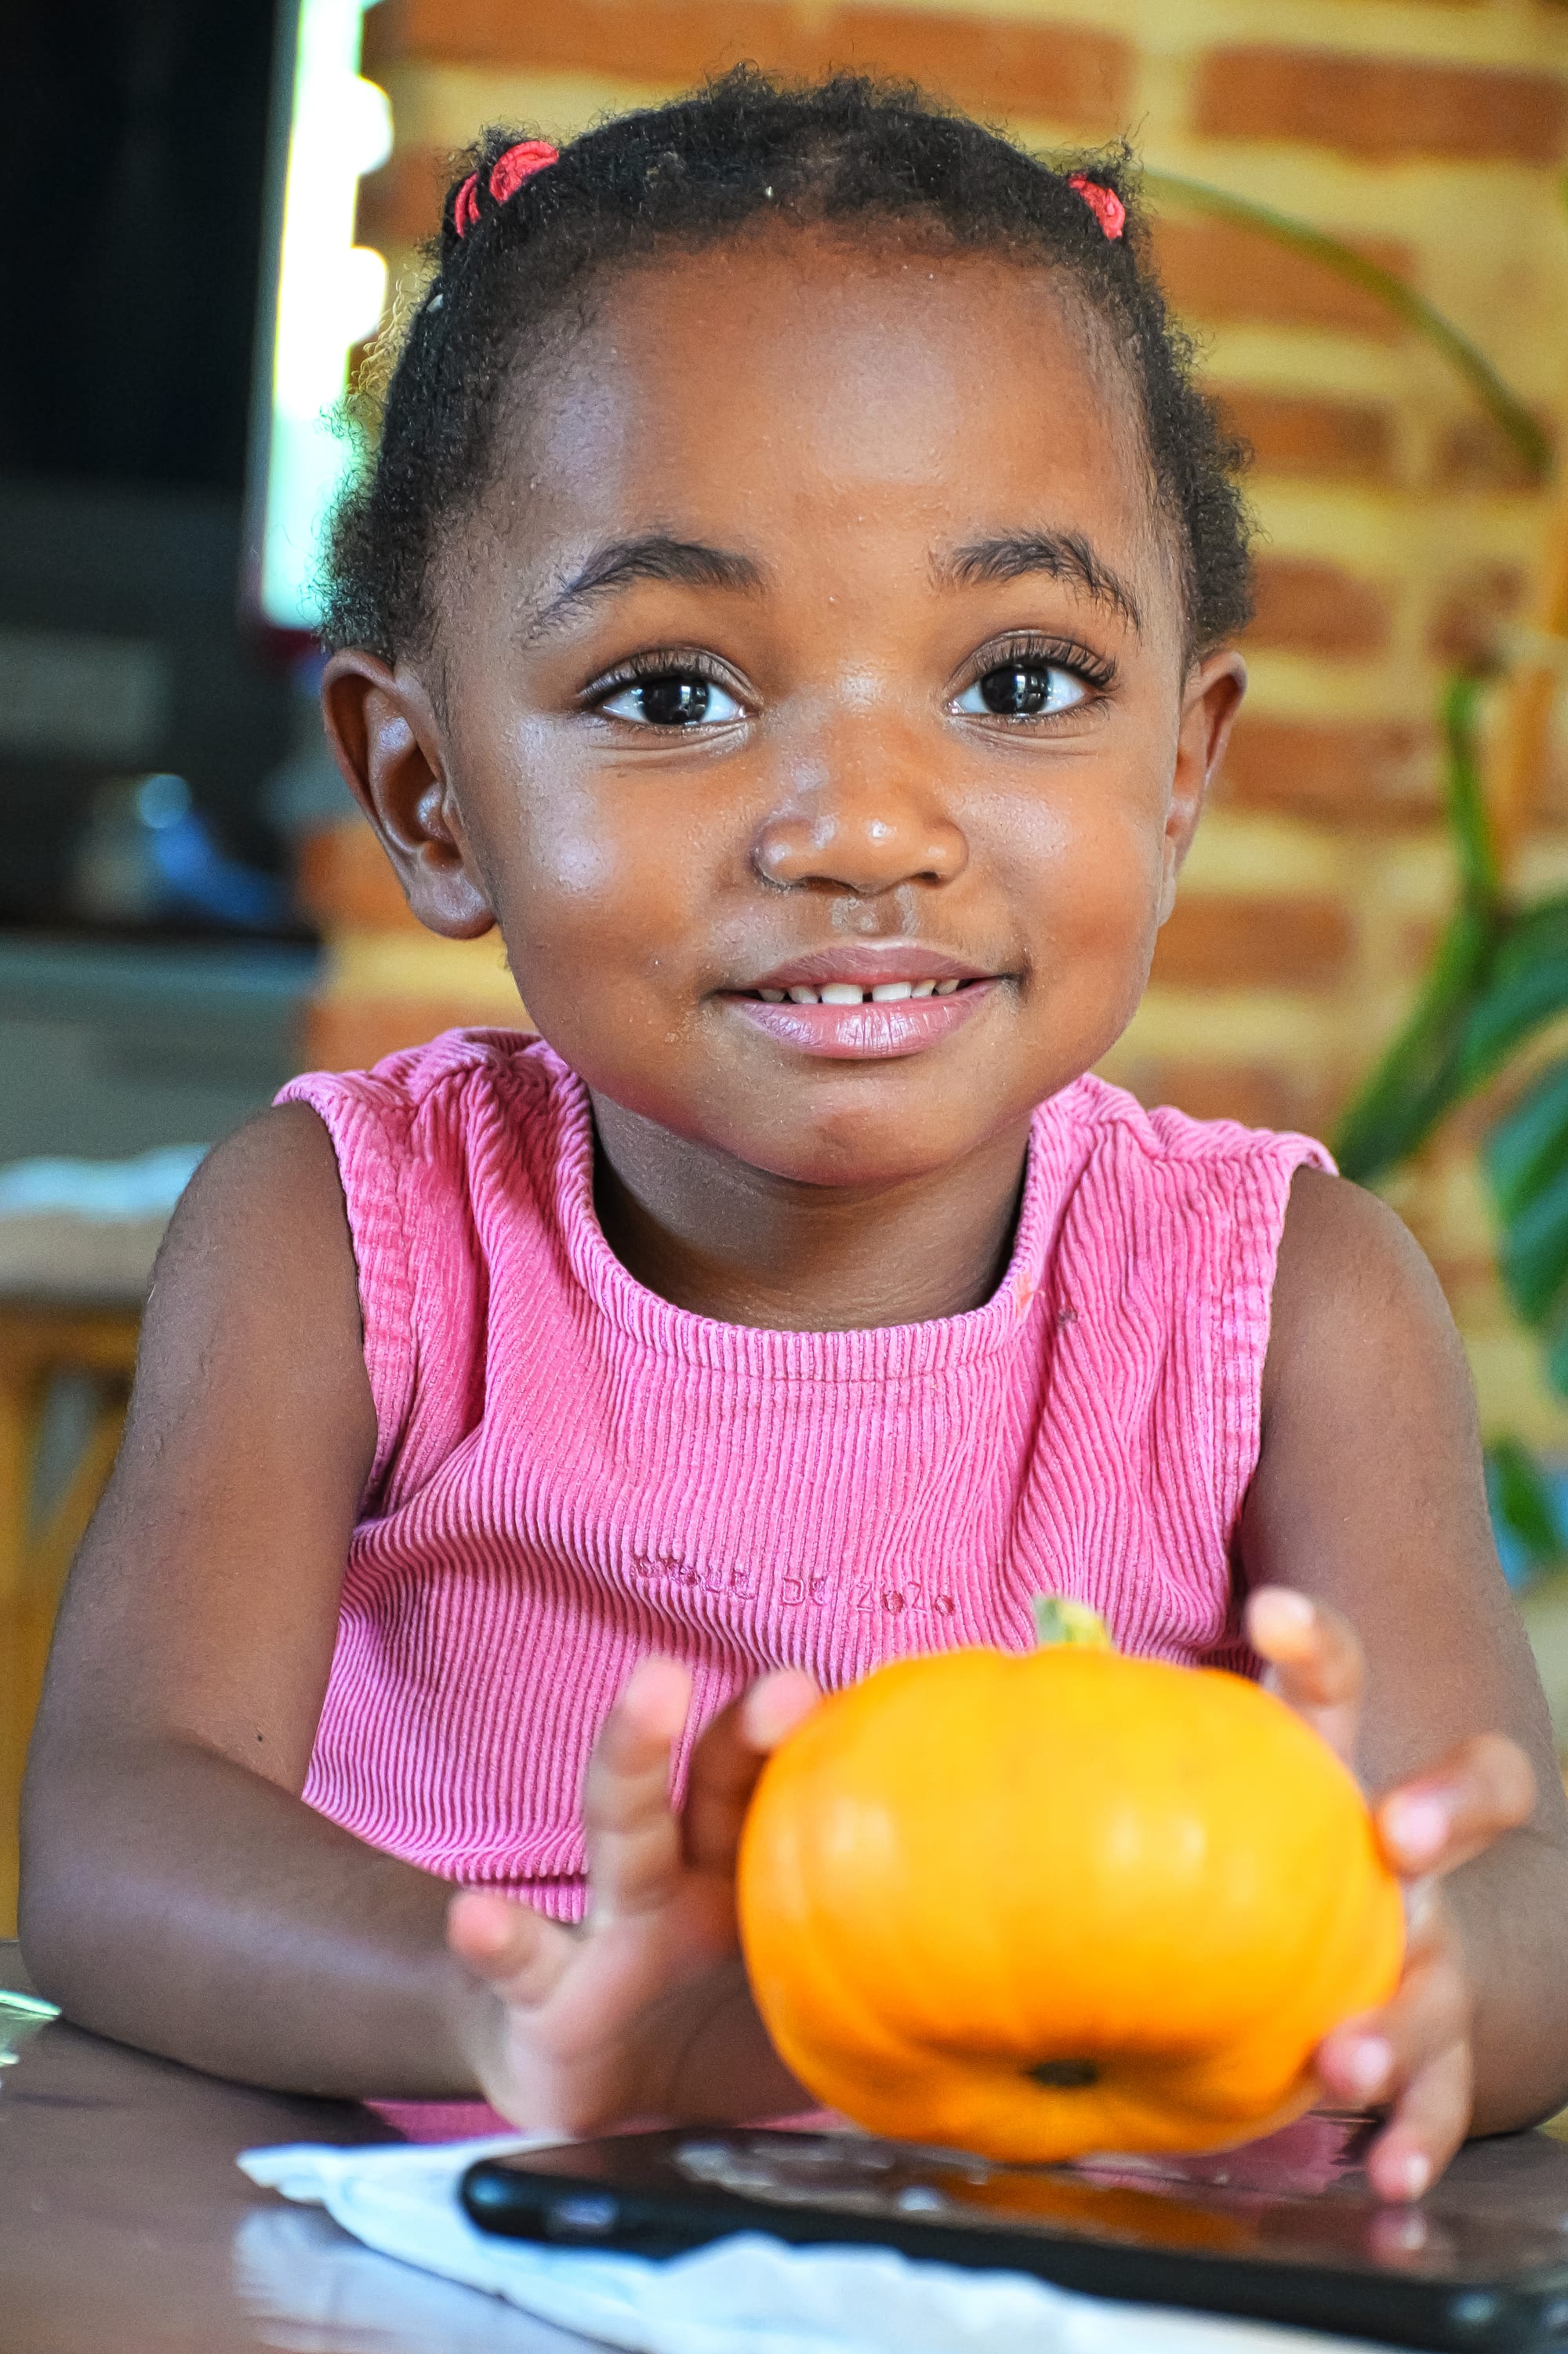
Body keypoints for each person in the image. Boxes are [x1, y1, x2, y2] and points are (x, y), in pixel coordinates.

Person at [20, 72, 1567, 2204]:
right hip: (437, 2264)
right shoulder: (350, 1236)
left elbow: (1524, 1892)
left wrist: (1421, 1971)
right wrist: (514, 2000)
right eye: (674, 692)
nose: (863, 829)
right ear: (426, 790)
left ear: (1184, 768)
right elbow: (121, 1830)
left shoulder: (1282, 1300)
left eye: (1019, 680)